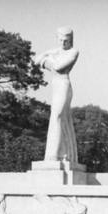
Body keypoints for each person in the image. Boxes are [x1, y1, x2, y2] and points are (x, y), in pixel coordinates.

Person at [34, 27, 79, 162]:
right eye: (60, 40)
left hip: (64, 84)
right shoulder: (56, 50)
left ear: (71, 39)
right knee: (57, 118)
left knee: (58, 115)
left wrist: (48, 60)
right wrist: (50, 58)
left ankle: (56, 154)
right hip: (56, 84)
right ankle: (59, 154)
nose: (63, 43)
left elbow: (59, 67)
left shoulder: (74, 51)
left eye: (66, 40)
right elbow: (36, 60)